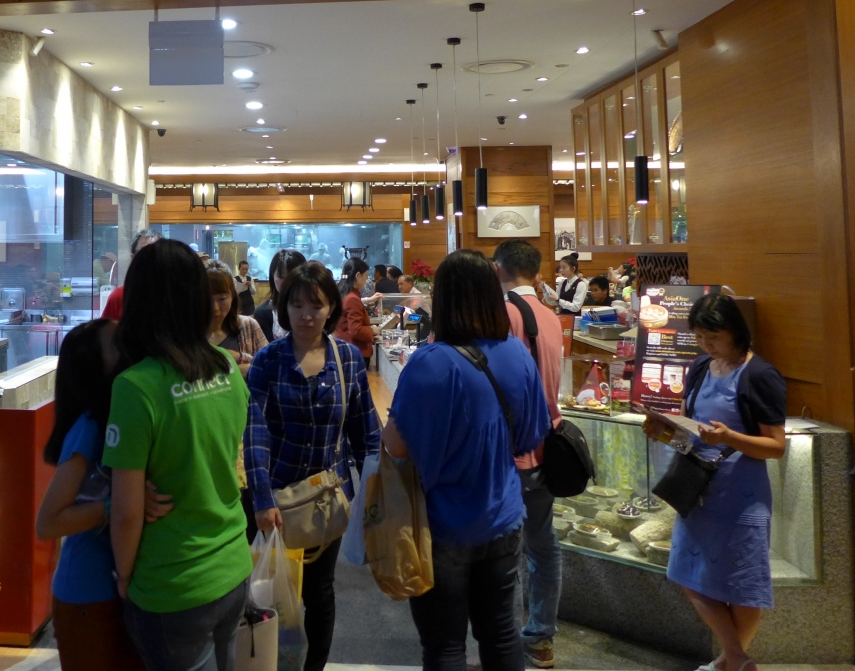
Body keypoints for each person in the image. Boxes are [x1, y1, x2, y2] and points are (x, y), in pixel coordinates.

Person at [382, 249, 551, 671]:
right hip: (504, 516)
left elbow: (396, 446)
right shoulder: (517, 354)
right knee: (501, 632)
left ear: (444, 299)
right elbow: (530, 436)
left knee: (444, 645)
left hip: (441, 524)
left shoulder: (430, 363)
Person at [104, 239, 252, 671]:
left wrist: (124, 576)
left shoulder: (135, 386)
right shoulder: (227, 367)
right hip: (233, 562)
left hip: (172, 582)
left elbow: (126, 511)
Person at [244, 261, 380, 671]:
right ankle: (271, 662)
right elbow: (256, 433)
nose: (306, 315)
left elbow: (366, 432)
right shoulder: (268, 360)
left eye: (316, 305)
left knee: (320, 592)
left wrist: (374, 495)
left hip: (326, 498)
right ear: (284, 307)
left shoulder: (347, 358)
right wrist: (262, 498)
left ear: (331, 308)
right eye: (297, 305)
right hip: (277, 497)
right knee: (268, 591)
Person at [646, 293, 787, 671]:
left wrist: (729, 437)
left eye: (714, 337)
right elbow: (687, 436)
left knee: (742, 585)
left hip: (741, 493)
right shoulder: (699, 367)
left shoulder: (760, 375)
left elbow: (776, 447)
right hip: (697, 488)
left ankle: (728, 662)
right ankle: (736, 659)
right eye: (699, 337)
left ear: (736, 332)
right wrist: (663, 432)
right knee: (687, 574)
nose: (706, 345)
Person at [37, 319, 170, 671]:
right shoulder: (89, 427)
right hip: (87, 593)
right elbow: (48, 522)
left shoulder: (123, 415)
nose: (130, 347)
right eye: (117, 344)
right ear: (96, 368)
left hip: (123, 587)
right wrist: (121, 503)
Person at [493, 239, 565, 670]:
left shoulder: (503, 314)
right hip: (547, 446)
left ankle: (502, 642)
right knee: (542, 544)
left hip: (511, 449)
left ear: (497, 269)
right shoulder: (552, 316)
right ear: (536, 273)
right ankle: (540, 637)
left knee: (502, 550)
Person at [205, 261, 265, 372]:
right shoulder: (187, 336)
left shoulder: (249, 325)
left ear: (232, 297)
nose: (215, 308)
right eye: (207, 299)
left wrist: (241, 358)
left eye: (222, 299)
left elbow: (272, 366)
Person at [101, 229, 163, 321]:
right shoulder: (119, 296)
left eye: (155, 252)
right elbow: (106, 329)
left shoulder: (176, 295)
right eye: (143, 252)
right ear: (133, 258)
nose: (150, 257)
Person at [254, 249, 306, 342]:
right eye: (281, 277)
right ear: (272, 276)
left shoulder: (312, 309)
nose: (287, 282)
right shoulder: (263, 313)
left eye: (292, 277)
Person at [333, 257, 375, 359]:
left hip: (345, 348)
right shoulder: (352, 298)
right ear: (358, 276)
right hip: (355, 352)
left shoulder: (343, 293)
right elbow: (356, 330)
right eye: (366, 275)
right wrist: (372, 330)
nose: (366, 280)